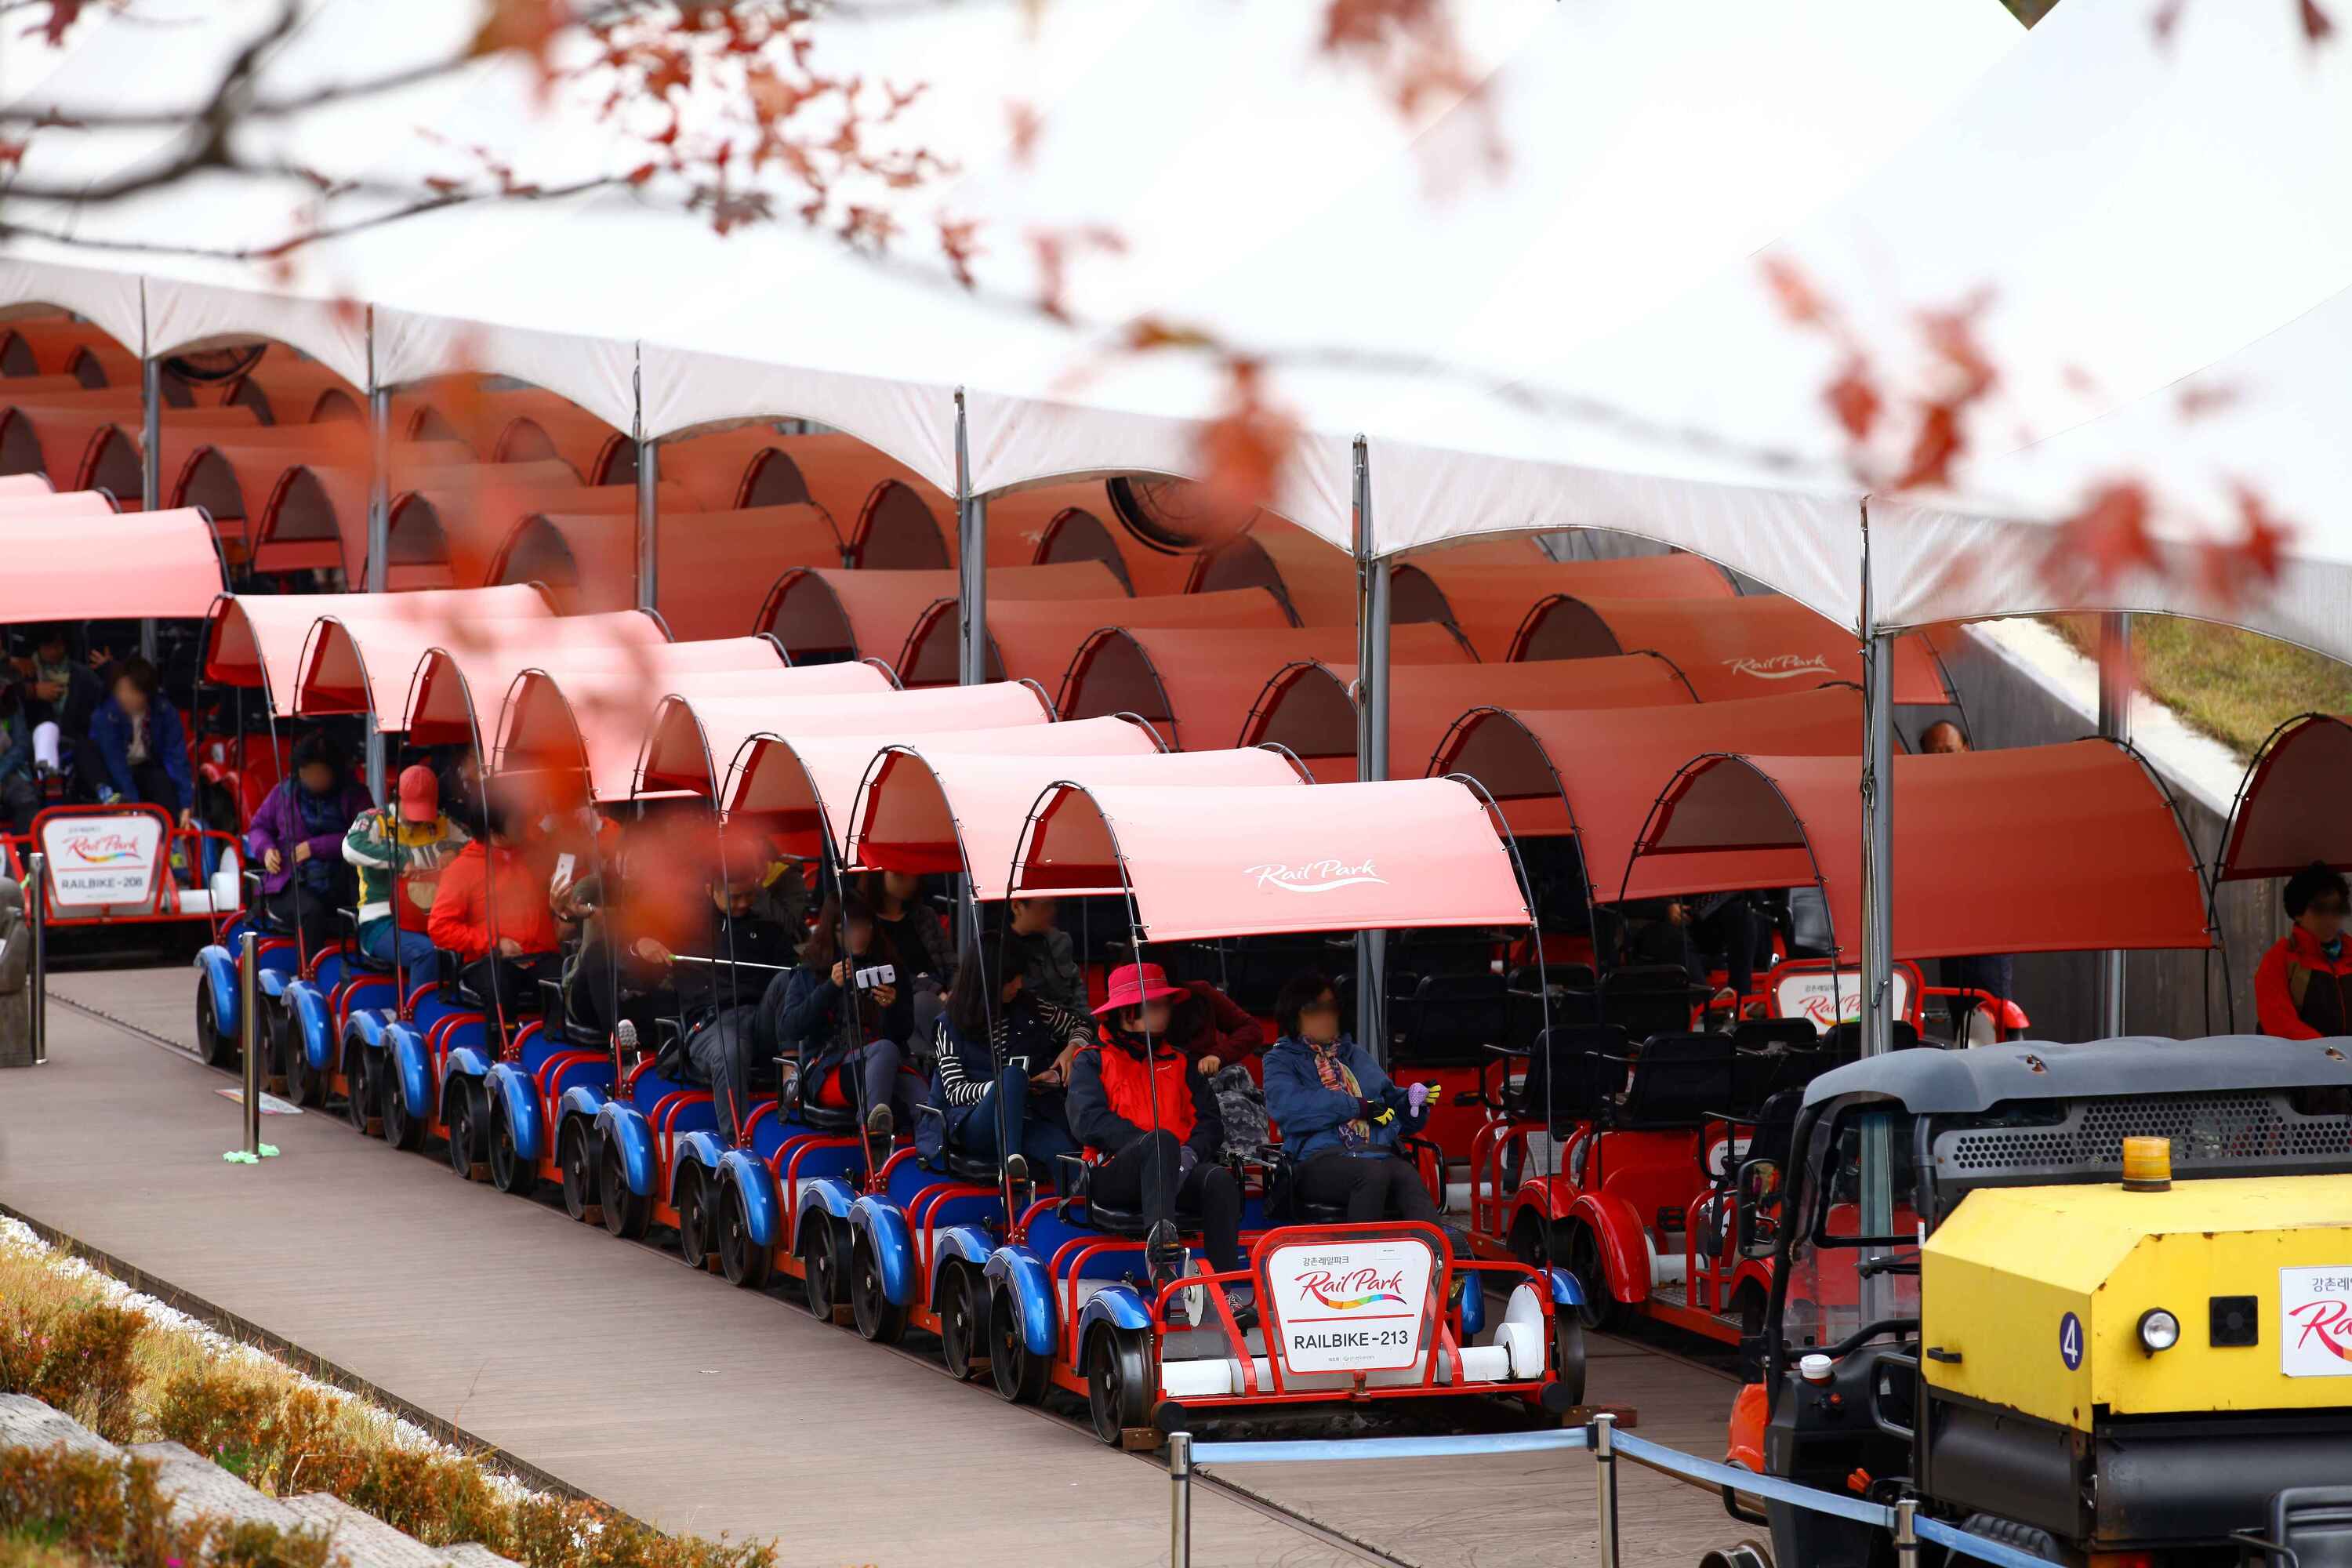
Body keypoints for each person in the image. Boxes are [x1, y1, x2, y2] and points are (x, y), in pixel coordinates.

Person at [1068, 962, 1249, 1307]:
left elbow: (1210, 1123)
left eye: (1165, 1003)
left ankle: (1224, 1293)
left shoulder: (1182, 1062)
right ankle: (1163, 1263)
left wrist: (1188, 1155)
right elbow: (1087, 1122)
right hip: (1115, 1175)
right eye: (1156, 1004)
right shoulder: (1091, 1060)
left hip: (1177, 1169)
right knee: (1161, 1141)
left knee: (1219, 1181)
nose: (1166, 1010)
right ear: (1128, 1012)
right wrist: (1152, 1148)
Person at [633, 838, 801, 1144]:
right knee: (731, 1049)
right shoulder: (685, 928)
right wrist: (641, 946)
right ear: (710, 889)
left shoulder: (769, 929)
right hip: (711, 1025)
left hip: (760, 1021)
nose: (743, 904)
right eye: (734, 897)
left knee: (790, 979)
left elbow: (793, 978)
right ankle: (737, 1143)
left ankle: (792, 1078)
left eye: (749, 895)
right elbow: (635, 965)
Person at [1261, 971, 1443, 1225]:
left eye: (1331, 1008)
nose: (1326, 1017)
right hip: (1315, 1161)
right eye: (1316, 1010)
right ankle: (1363, 1250)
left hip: (1373, 1153)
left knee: (1406, 1174)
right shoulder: (1280, 1060)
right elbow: (1291, 1109)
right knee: (1372, 1174)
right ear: (1295, 1016)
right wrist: (1358, 1107)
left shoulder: (1354, 1054)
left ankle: (1434, 1249)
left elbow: (1390, 1106)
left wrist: (1412, 1103)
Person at [921, 936, 1087, 1182]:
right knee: (1012, 1076)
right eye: (1011, 979)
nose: (1019, 985)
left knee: (1064, 1154)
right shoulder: (949, 1024)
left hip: (1026, 1115)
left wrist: (1072, 1048)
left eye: (1020, 976)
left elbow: (1081, 1026)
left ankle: (1073, 1205)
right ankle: (1010, 1168)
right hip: (972, 1123)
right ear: (989, 981)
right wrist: (1008, 1088)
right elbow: (955, 1092)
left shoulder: (1030, 1006)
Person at [765, 893, 916, 1145]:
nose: (859, 935)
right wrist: (829, 988)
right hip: (829, 1067)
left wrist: (892, 1007)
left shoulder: (889, 969)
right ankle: (873, 1141)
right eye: (848, 929)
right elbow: (791, 1027)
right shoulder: (812, 971)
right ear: (832, 932)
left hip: (885, 1064)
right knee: (885, 1050)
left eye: (864, 926)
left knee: (925, 1102)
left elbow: (904, 1032)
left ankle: (928, 1160)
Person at [1918, 721, 2014, 1037]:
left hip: (1987, 931)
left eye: (1949, 751)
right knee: (1963, 1026)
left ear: (1966, 751)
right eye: (1934, 754)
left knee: (1991, 1019)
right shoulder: (1923, 805)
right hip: (1950, 935)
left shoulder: (1987, 797)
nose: (1943, 759)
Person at [426, 798, 560, 1021]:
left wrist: (564, 908)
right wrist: (494, 943)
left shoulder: (534, 858)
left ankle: (552, 1040)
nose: (523, 825)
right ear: (493, 829)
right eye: (516, 822)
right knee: (501, 986)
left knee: (565, 985)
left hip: (539, 955)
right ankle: (501, 1042)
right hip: (488, 960)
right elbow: (440, 927)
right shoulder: (462, 868)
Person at [242, 732, 369, 956]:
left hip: (341, 881)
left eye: (319, 773)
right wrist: (266, 849)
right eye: (306, 773)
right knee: (311, 912)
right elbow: (258, 827)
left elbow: (365, 838)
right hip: (290, 883)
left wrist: (315, 847)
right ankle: (308, 971)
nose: (311, 779)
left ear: (334, 772)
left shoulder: (356, 796)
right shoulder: (283, 793)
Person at [343, 763, 469, 977]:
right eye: (412, 809)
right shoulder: (374, 819)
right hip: (382, 920)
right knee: (427, 952)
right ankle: (421, 1000)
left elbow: (475, 845)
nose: (416, 819)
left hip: (435, 915)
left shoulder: (442, 822)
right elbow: (350, 848)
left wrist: (453, 850)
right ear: (397, 798)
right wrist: (399, 860)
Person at [87, 657, 191, 823]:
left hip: (146, 768)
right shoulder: (106, 715)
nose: (124, 697)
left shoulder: (164, 711)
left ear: (146, 693)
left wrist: (186, 803)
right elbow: (116, 764)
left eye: (131, 691)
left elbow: (177, 758)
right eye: (120, 690)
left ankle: (170, 833)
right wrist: (135, 808)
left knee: (162, 783)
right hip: (112, 775)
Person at [856, 869, 953, 1044]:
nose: (911, 879)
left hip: (944, 993)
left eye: (912, 871)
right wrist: (937, 991)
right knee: (924, 1003)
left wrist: (955, 990)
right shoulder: (870, 925)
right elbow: (894, 974)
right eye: (899, 873)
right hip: (906, 1000)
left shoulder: (925, 915)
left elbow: (951, 962)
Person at [2256, 862, 2352, 1039]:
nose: (2330, 919)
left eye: (2337, 909)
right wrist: (2328, 1051)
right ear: (2298, 913)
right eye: (2320, 910)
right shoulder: (2281, 958)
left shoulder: (2349, 952)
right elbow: (2278, 1021)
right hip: (2299, 1055)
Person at [7, 624, 102, 786]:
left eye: (59, 645)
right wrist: (33, 691)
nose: (55, 651)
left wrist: (108, 668)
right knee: (47, 730)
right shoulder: (24, 671)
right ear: (38, 645)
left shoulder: (82, 675)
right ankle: (48, 781)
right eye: (48, 645)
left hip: (74, 747)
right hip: (29, 748)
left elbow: (103, 700)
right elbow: (7, 696)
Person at [1008, 895, 1087, 1013]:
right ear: (1017, 907)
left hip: (1071, 1019)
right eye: (1044, 906)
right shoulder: (1000, 949)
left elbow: (1077, 989)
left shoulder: (1060, 941)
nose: (1052, 912)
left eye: (1053, 905)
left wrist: (1086, 1020)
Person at [0, 686, 39, 835]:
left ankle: (28, 849)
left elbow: (21, 745)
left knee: (25, 797)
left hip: (7, 770)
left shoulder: (8, 695)